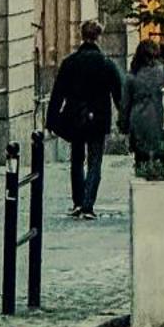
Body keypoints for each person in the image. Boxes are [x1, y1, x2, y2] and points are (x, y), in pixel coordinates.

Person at [46, 19, 124, 219]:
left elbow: (58, 93)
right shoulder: (106, 64)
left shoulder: (70, 63)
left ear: (82, 36)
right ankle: (88, 205)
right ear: (99, 37)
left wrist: (51, 119)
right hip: (98, 118)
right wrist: (125, 119)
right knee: (95, 161)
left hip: (75, 116)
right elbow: (119, 94)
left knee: (77, 160)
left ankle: (78, 201)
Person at [120, 40, 164, 170]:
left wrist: (124, 128)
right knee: (161, 158)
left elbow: (124, 106)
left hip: (138, 124)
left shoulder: (131, 77)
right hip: (161, 121)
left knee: (141, 161)